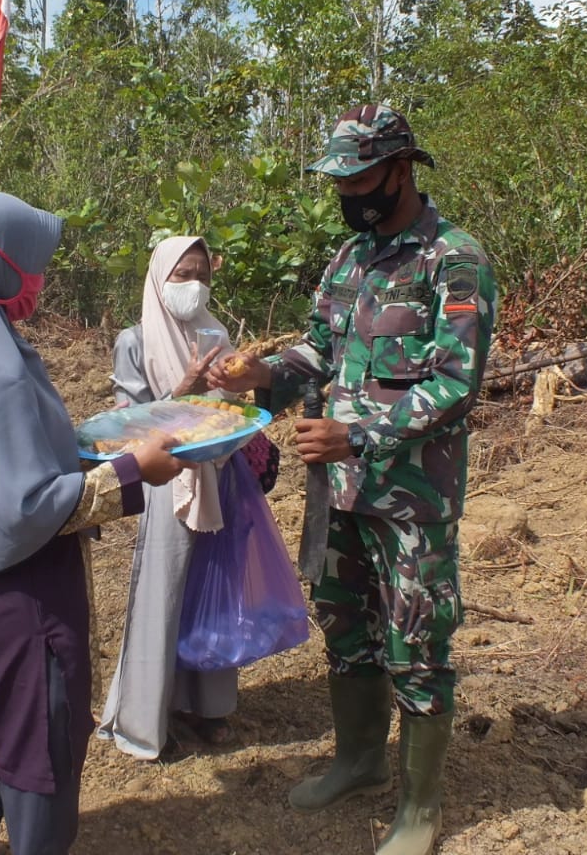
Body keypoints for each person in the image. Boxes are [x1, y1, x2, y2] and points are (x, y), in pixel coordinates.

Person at [209, 104, 497, 855]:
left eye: (361, 176)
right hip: (338, 491)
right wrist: (261, 377)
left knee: (417, 640)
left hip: (412, 498)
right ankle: (360, 760)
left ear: (403, 168)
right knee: (345, 624)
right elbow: (317, 350)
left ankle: (421, 808)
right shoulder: (350, 259)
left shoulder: (454, 260)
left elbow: (456, 384)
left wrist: (359, 434)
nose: (349, 192)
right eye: (339, 180)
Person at [0, 191, 191, 855]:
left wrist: (80, 448)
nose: (41, 279)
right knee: (37, 752)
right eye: (34, 264)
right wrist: (134, 471)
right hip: (20, 606)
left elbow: (2, 467)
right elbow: (22, 509)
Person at [97, 235, 257, 759]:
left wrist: (236, 383)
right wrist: (183, 390)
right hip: (168, 484)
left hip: (220, 477)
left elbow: (231, 407)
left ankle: (208, 707)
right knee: (164, 594)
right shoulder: (135, 341)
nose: (195, 285)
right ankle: (145, 720)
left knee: (212, 594)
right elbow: (128, 425)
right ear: (159, 279)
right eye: (182, 274)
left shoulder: (215, 331)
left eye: (203, 274)